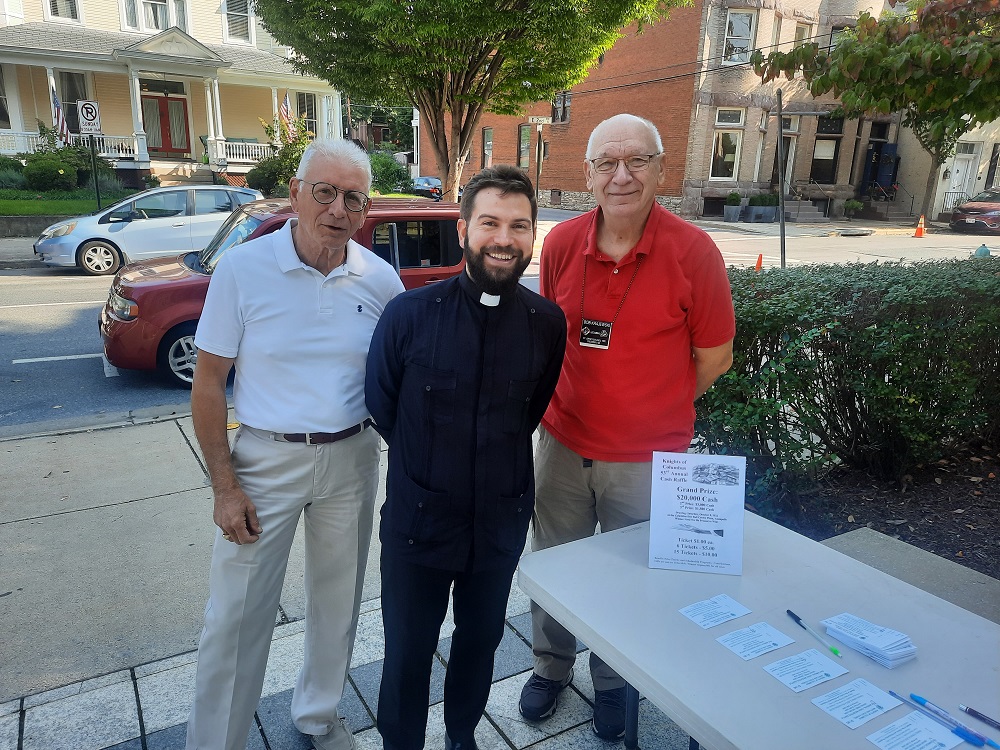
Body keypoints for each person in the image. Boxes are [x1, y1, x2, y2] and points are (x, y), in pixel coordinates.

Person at [518, 114, 736, 742]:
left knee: (630, 578)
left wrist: (656, 409)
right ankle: (551, 667)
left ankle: (615, 682)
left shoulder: (694, 252)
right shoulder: (563, 244)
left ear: (660, 169)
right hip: (562, 446)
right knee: (557, 566)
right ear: (587, 174)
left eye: (637, 160)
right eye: (607, 163)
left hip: (647, 461)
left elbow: (715, 357)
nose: (622, 176)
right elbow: (552, 337)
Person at [185, 139, 405, 750]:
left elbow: (399, 378)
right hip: (265, 461)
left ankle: (318, 715)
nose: (337, 209)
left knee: (339, 601)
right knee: (235, 617)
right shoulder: (242, 270)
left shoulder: (381, 280)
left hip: (352, 457)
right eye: (325, 192)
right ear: (295, 193)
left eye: (353, 198)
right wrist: (224, 487)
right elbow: (208, 383)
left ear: (366, 209)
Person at [366, 165, 567, 750]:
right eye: (489, 223)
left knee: (480, 645)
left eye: (519, 226)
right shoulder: (409, 314)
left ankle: (462, 736)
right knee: (407, 652)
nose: (504, 238)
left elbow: (531, 410)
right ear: (463, 230)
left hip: (498, 524)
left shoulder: (546, 323)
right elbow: (382, 405)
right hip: (419, 523)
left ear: (532, 235)